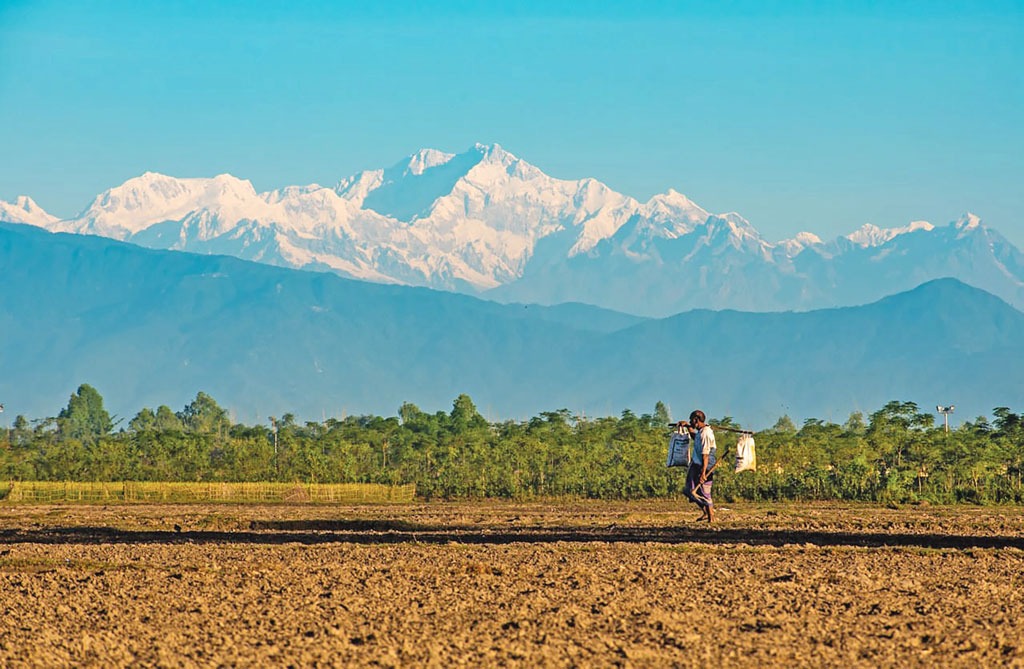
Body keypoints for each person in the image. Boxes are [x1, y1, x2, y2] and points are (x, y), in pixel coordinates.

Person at [681, 410, 717, 523]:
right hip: (696, 464)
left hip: (704, 465)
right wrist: (687, 426)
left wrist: (703, 473)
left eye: (691, 420)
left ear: (696, 420)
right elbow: (694, 437)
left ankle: (711, 518)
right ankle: (706, 512)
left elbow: (705, 455)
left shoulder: (706, 433)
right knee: (689, 490)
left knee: (705, 492)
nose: (691, 422)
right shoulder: (701, 432)